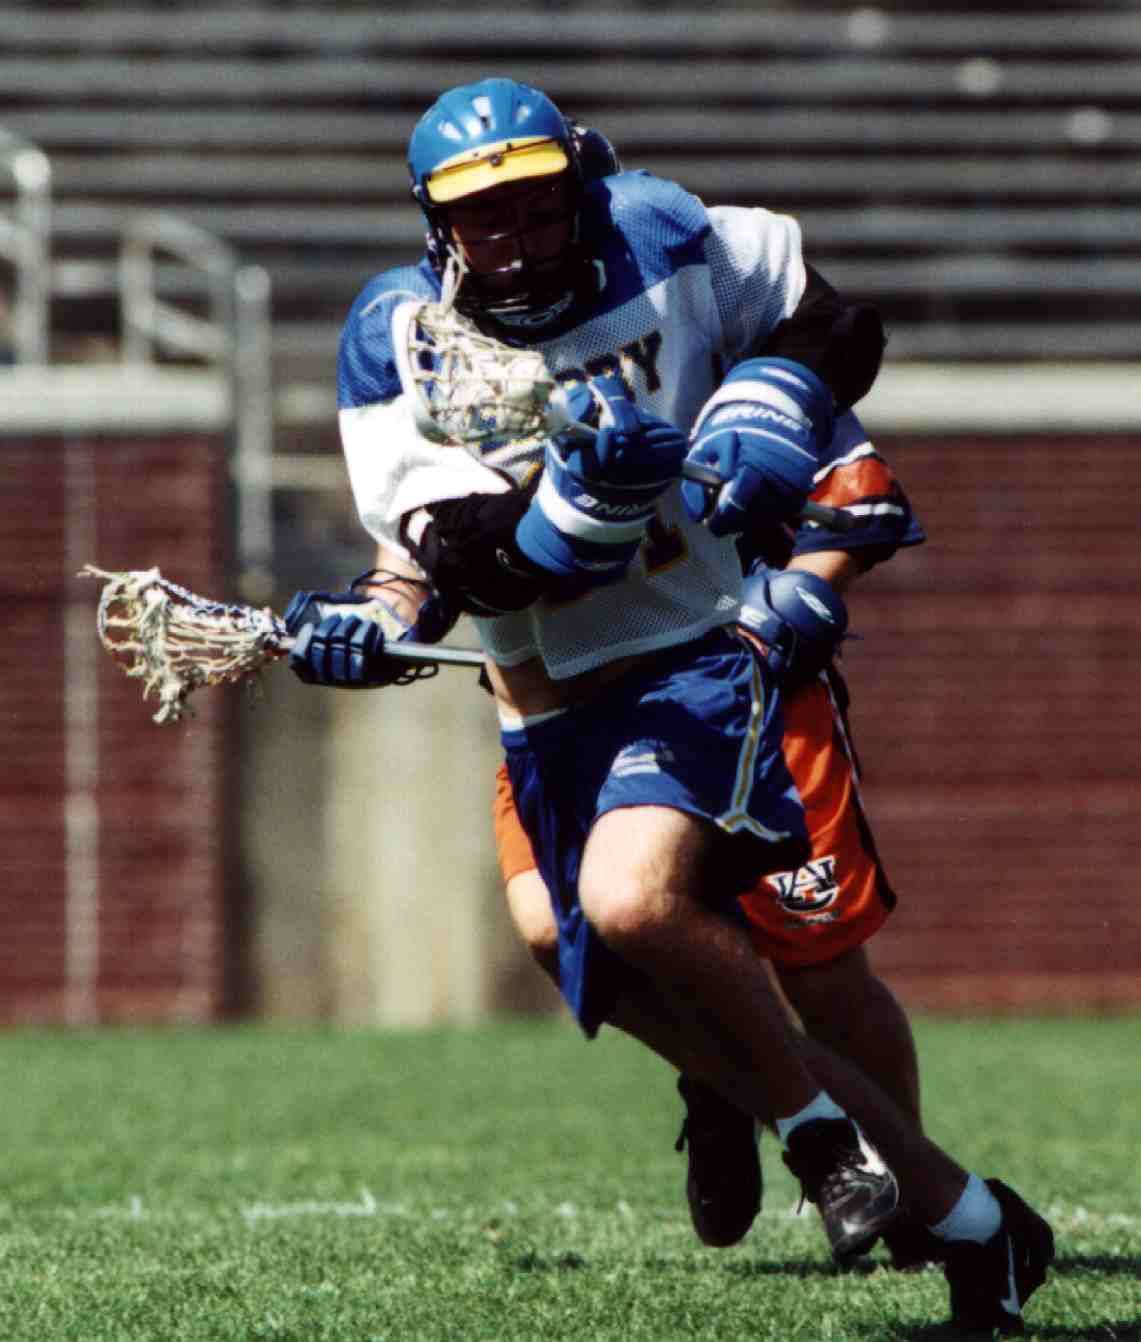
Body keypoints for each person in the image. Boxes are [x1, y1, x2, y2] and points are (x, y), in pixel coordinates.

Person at [283, 79, 1053, 1333]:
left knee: (648, 906)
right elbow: (451, 557)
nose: (515, 241)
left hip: (697, 656)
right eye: (483, 218)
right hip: (541, 704)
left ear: (581, 185)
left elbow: (832, 338)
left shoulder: (668, 236)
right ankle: (965, 1216)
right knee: (569, 943)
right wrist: (377, 618)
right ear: (435, 223)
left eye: (538, 207)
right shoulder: (400, 333)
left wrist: (774, 405)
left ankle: (819, 1140)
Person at [494, 403, 940, 1265]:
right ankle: (732, 1082)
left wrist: (805, 585)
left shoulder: (723, 343)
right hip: (567, 709)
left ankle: (919, 1193)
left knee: (820, 964)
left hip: (740, 691)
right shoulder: (465, 379)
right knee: (577, 930)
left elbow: (861, 493)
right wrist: (380, 607)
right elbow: (417, 540)